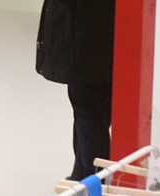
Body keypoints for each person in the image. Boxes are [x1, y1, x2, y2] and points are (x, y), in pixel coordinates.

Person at [36, 0, 116, 180]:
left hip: (85, 42)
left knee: (90, 114)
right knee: (91, 114)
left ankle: (92, 182)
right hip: (98, 40)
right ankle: (82, 176)